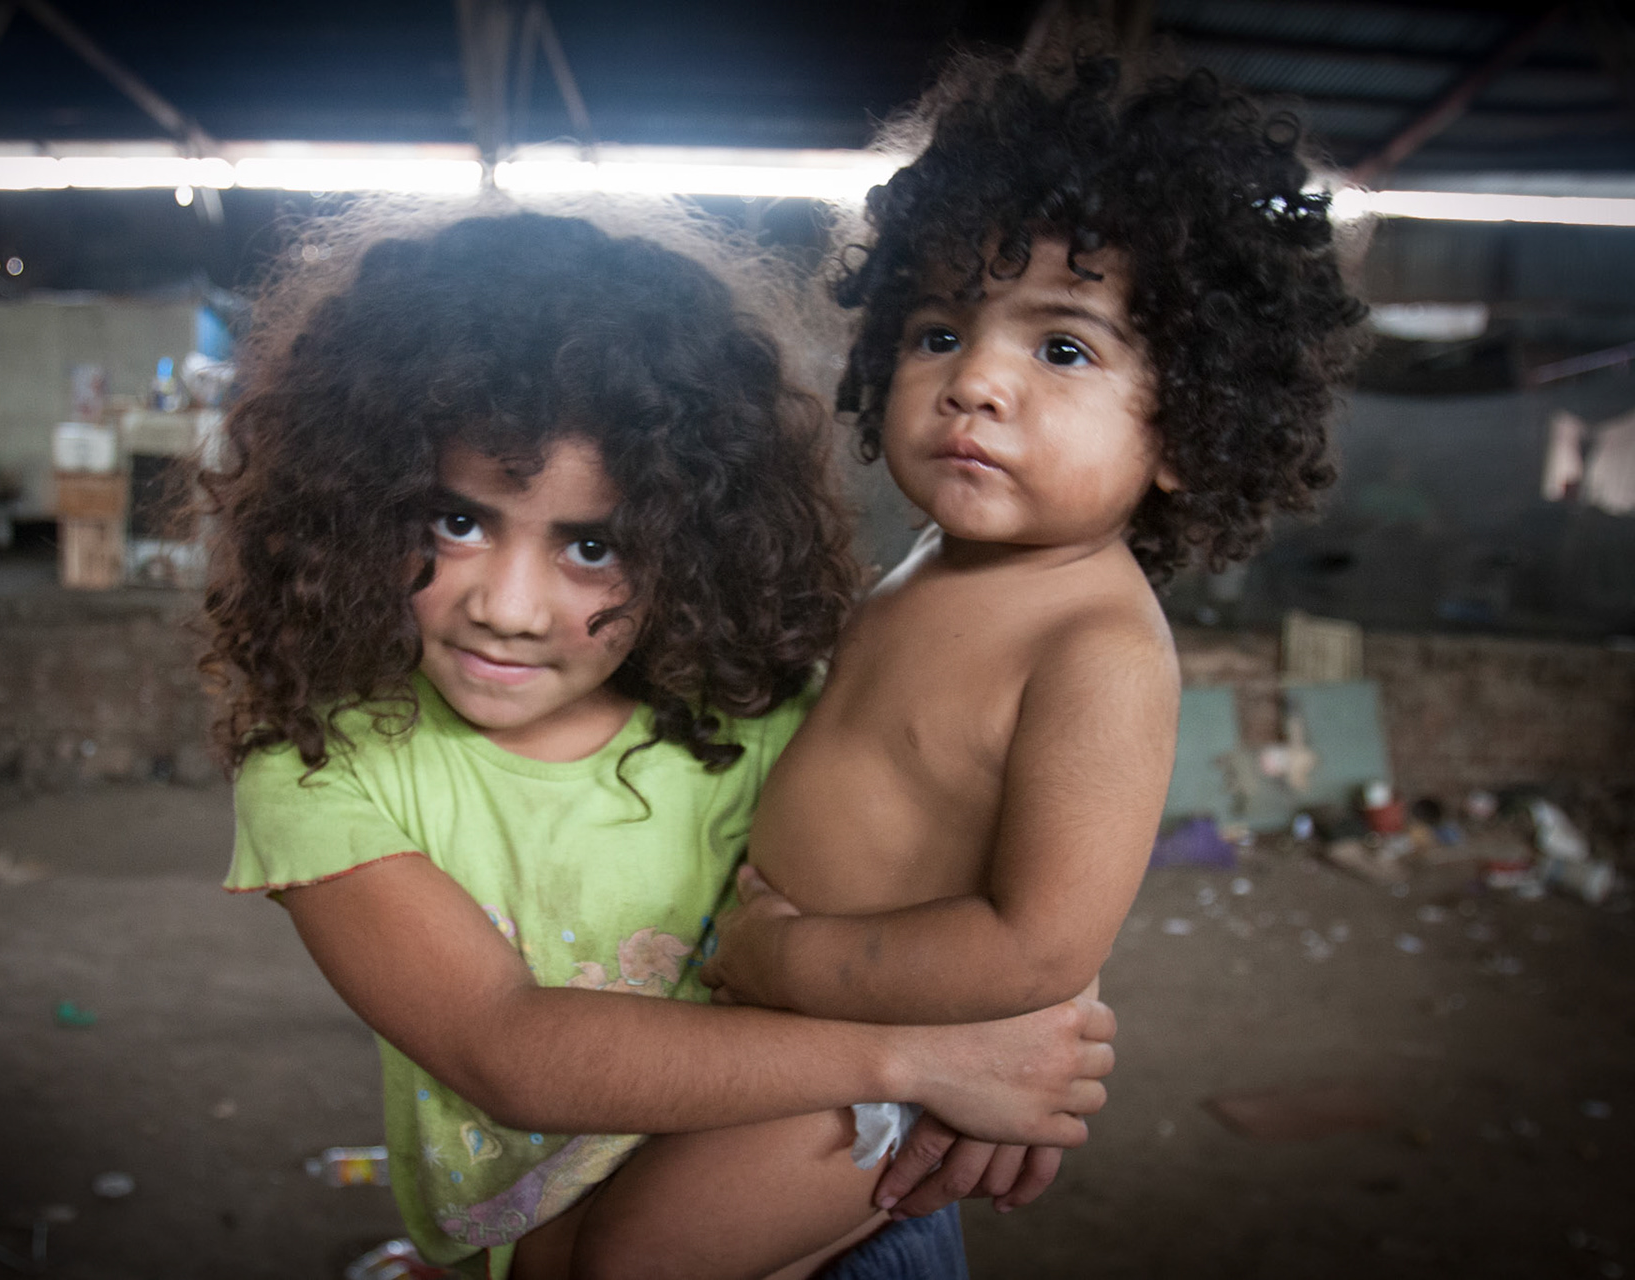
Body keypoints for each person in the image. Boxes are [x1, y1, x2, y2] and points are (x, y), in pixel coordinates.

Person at [566, 50, 1367, 1279]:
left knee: (630, 1261)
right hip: (784, 1019)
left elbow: (1042, 944)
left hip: (877, 1065)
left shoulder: (1096, 649)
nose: (975, 381)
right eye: (939, 331)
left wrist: (781, 955)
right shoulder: (928, 566)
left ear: (1191, 428)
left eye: (1065, 350)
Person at [208, 210, 1119, 1280]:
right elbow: (505, 1045)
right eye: (458, 522)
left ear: (694, 543)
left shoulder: (770, 710)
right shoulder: (320, 769)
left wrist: (1041, 1028)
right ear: (356, 504)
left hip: (854, 1224)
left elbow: (1002, 876)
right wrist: (928, 1062)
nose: (508, 607)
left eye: (592, 545)